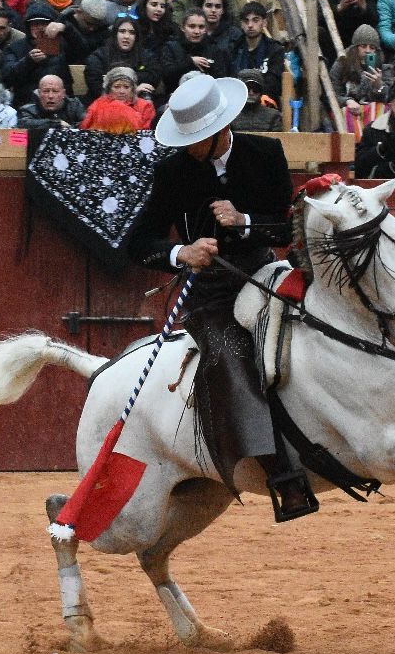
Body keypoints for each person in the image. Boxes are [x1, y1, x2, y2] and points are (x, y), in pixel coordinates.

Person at [128, 74, 316, 522]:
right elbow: (139, 241)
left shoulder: (265, 153)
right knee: (230, 357)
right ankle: (283, 476)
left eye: (194, 139)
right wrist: (182, 253)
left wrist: (244, 221)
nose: (187, 148)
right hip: (210, 289)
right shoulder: (172, 170)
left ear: (218, 132)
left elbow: (289, 230)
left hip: (265, 270)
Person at [79, 65, 154, 131]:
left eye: (126, 87)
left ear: (133, 89)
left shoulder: (145, 106)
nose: (122, 91)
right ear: (109, 89)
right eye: (117, 87)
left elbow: (145, 133)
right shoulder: (97, 104)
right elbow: (85, 129)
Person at [16, 72, 87, 127]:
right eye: (46, 91)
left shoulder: (74, 105)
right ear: (39, 93)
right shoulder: (28, 110)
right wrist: (56, 124)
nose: (50, 96)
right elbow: (23, 124)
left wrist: (69, 129)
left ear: (63, 93)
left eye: (55, 91)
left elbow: (86, 123)